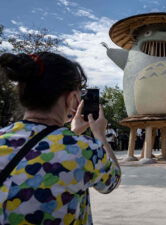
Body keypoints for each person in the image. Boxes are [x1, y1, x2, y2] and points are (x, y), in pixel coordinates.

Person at [0, 52, 121, 224]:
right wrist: (99, 134)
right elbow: (111, 181)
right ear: (72, 98)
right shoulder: (84, 149)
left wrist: (73, 133)